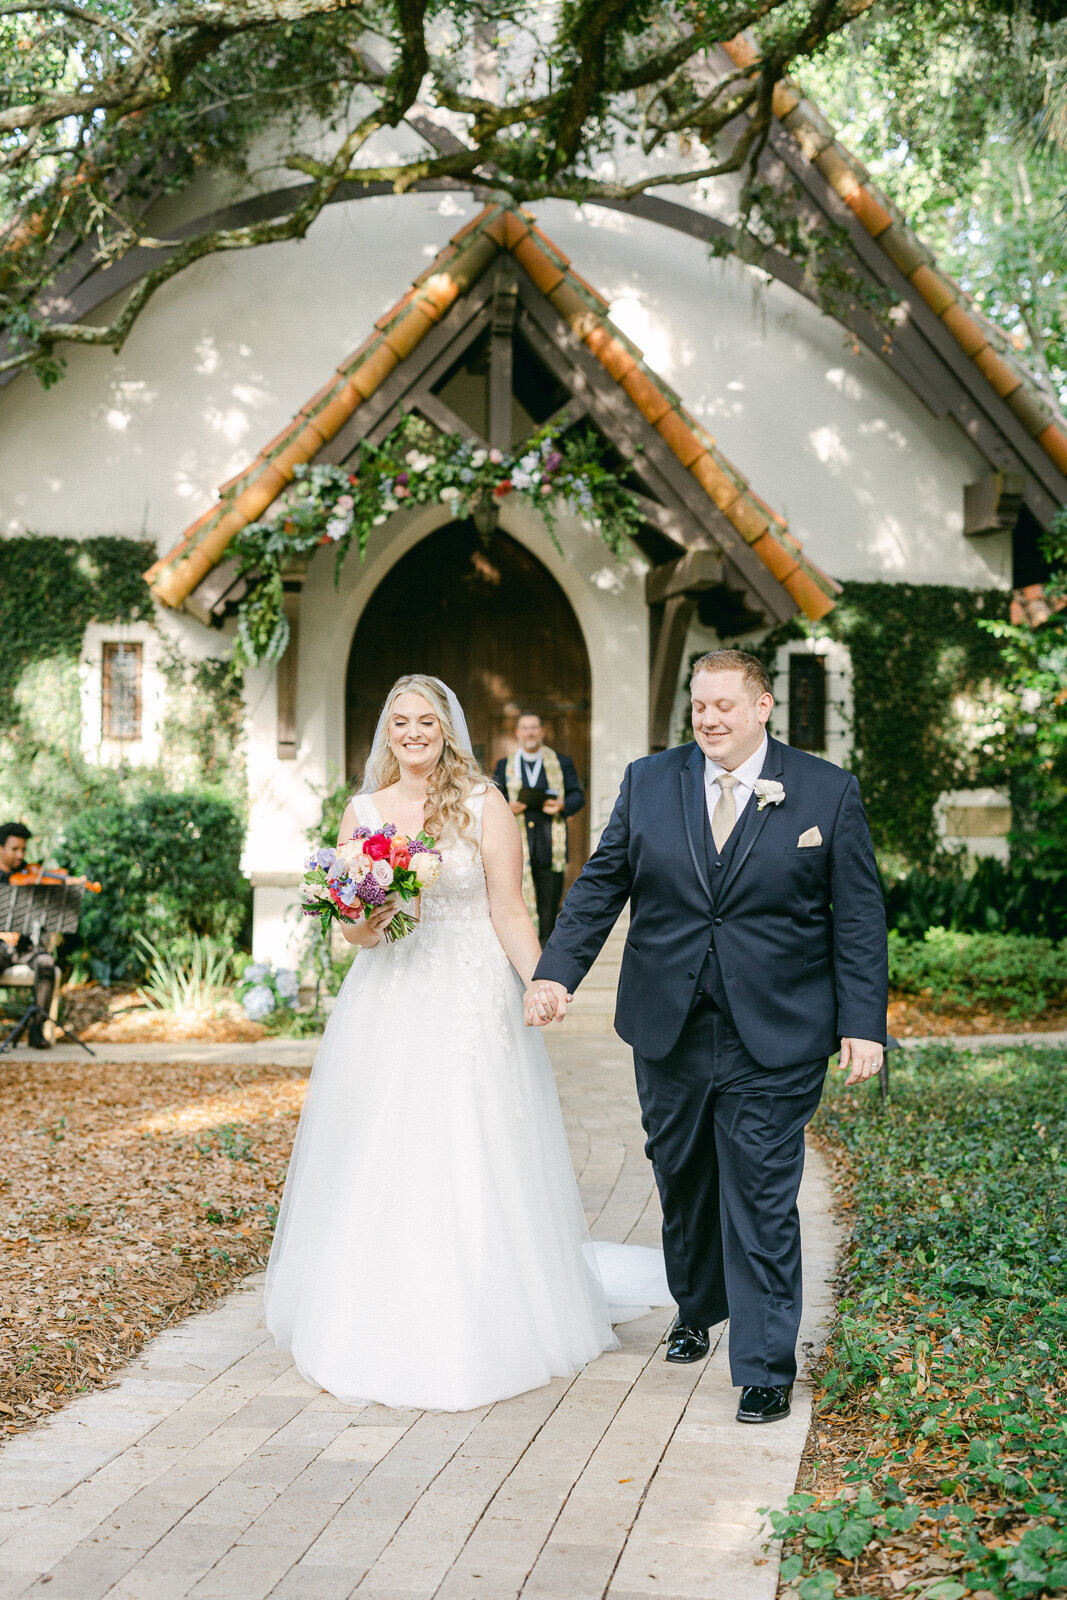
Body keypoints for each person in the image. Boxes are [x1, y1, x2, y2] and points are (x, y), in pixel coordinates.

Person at [265, 675, 669, 1412]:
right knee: (384, 1141)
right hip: (390, 993)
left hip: (469, 991)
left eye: (426, 721)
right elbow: (354, 932)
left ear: (446, 728)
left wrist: (542, 980)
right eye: (400, 722)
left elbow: (509, 909)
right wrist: (371, 909)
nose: (412, 732)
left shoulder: (485, 804)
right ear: (386, 732)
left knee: (468, 1137)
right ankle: (374, 1306)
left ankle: (485, 1306)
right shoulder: (363, 811)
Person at [527, 649, 888, 1426]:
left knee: (760, 1193)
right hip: (669, 1026)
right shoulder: (649, 781)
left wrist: (863, 1022)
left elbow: (856, 914)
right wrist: (555, 972)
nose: (710, 718)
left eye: (726, 704)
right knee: (682, 1175)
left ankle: (762, 1364)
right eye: (700, 705)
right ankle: (696, 1305)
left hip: (779, 1032)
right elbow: (600, 885)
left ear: (762, 707)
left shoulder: (825, 790)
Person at [492, 711, 584, 943]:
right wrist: (507, 807)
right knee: (516, 902)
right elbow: (494, 800)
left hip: (549, 847)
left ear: (542, 731)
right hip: (516, 848)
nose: (530, 732)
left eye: (534, 728)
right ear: (517, 733)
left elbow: (577, 796)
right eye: (525, 728)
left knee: (549, 907)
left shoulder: (561, 762)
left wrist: (562, 806)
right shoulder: (505, 765)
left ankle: (546, 953)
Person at [0, 822, 57, 1050]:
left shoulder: (30, 874)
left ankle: (36, 1030)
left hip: (26, 946)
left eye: (23, 850)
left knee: (46, 963)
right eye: (15, 849)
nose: (20, 855)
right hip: (1, 946)